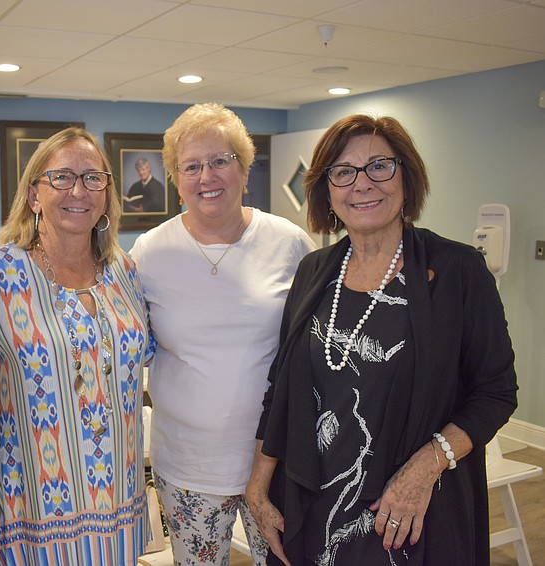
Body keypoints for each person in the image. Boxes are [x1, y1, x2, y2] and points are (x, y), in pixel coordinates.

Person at [245, 114, 519, 565]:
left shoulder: (457, 271)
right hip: (312, 504)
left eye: (379, 166)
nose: (362, 184)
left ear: (406, 178)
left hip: (406, 512)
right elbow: (282, 390)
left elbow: (495, 392)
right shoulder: (314, 272)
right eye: (343, 172)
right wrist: (259, 484)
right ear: (327, 191)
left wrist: (424, 468)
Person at [130, 102, 315, 565]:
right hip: (188, 467)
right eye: (191, 166)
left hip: (275, 462)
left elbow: (320, 341)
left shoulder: (289, 243)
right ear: (175, 179)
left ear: (244, 170)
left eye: (220, 161)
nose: (206, 176)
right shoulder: (150, 252)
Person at [0, 127, 153, 564]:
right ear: (34, 195)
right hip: (35, 511)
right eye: (62, 177)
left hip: (119, 503)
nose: (79, 190)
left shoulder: (123, 271)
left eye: (94, 178)